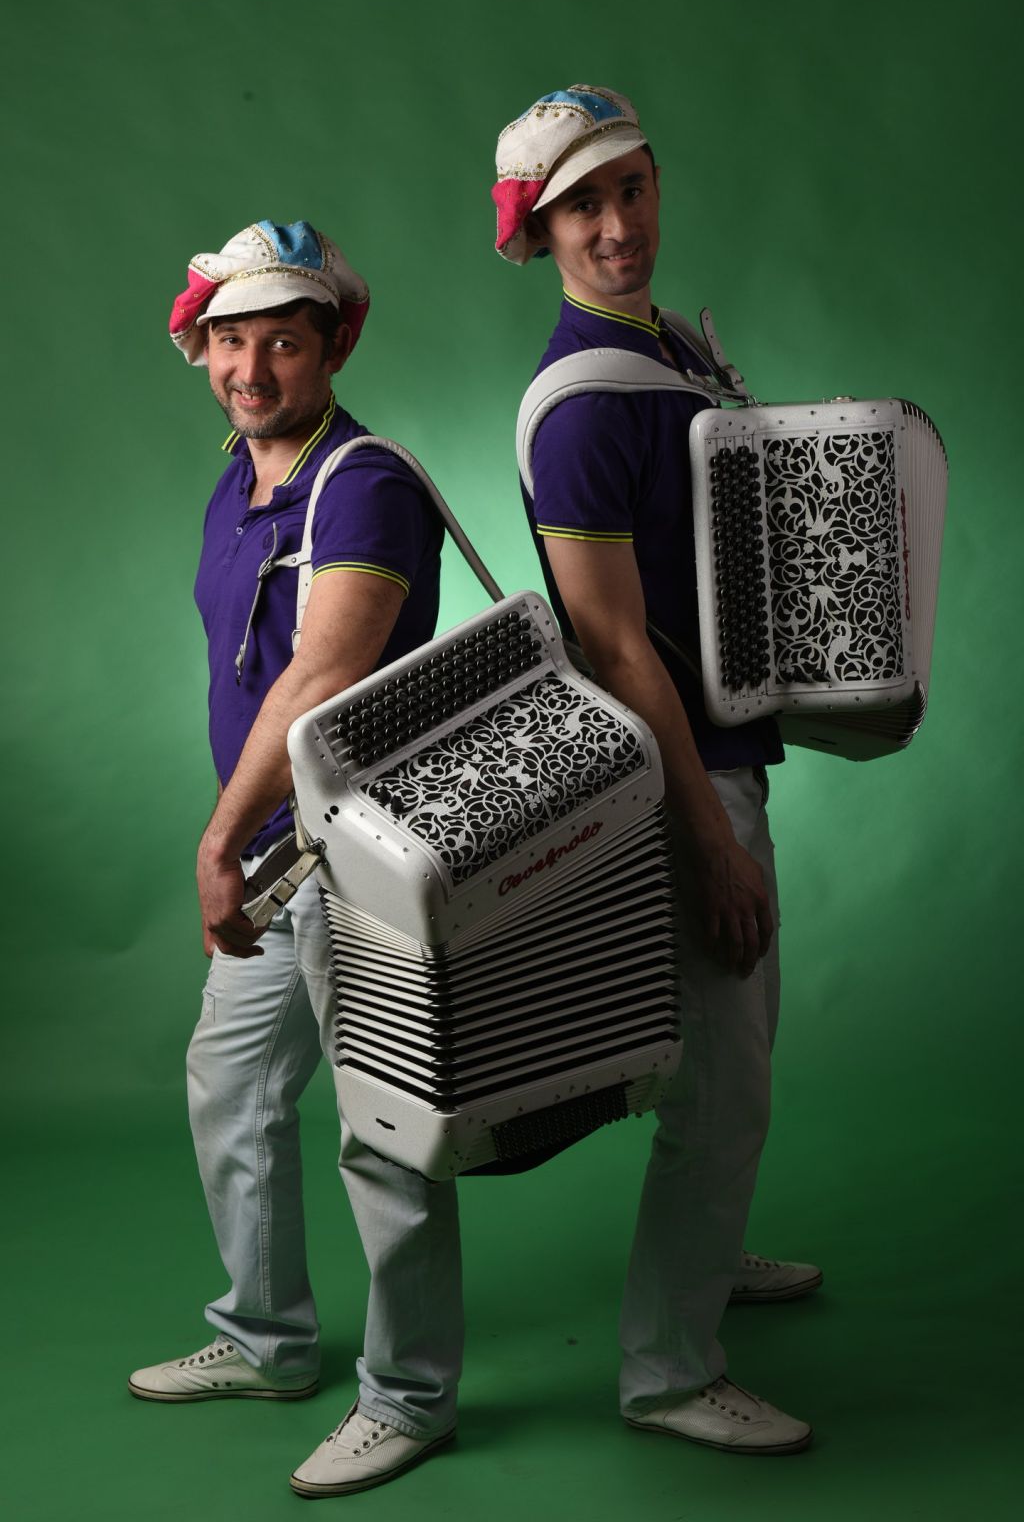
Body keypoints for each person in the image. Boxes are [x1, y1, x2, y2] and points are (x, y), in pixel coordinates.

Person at [488, 85, 817, 1451]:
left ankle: (709, 1254)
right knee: (724, 1081)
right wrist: (710, 840)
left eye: (632, 189)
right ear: (539, 231)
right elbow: (617, 647)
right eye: (583, 206)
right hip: (678, 778)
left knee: (741, 1049)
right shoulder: (580, 408)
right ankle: (669, 1371)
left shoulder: (672, 345)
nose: (618, 225)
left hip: (730, 743)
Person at [128, 223, 463, 1483]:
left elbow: (323, 675)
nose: (252, 367)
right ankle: (266, 1339)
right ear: (201, 347)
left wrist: (218, 839)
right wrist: (244, 841)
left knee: (387, 1132)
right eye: (231, 340)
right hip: (276, 859)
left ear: (332, 347)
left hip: (360, 858)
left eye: (282, 341)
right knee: (232, 1090)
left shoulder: (361, 484)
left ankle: (410, 1397)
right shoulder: (241, 478)